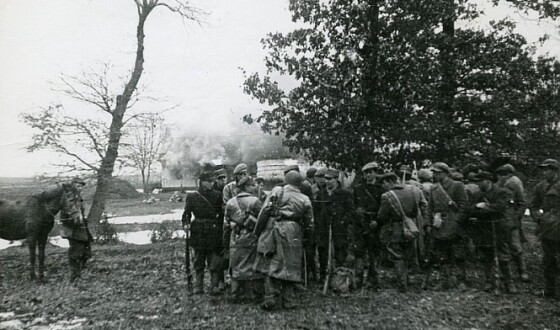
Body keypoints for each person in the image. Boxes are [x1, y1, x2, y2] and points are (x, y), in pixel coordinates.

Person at [254, 171, 314, 310]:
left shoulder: (277, 191)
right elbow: (310, 223)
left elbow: (265, 211)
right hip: (294, 230)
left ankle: (270, 298)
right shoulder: (305, 198)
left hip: (273, 228)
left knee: (269, 262)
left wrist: (257, 231)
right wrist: (308, 239)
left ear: (286, 180)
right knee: (291, 264)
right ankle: (288, 300)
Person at [465, 171, 517, 294]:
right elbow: (469, 210)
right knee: (485, 257)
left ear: (488, 181)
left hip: (498, 228)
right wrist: (479, 206)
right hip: (482, 229)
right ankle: (489, 281)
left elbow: (500, 208)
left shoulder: (501, 192)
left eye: (480, 181)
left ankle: (509, 282)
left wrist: (483, 209)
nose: (477, 183)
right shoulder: (476, 195)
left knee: (503, 257)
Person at [426, 162, 468, 290]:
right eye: (434, 173)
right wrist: (428, 223)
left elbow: (464, 205)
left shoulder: (457, 185)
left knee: (458, 253)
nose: (435, 175)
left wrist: (457, 221)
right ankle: (444, 280)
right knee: (441, 253)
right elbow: (430, 208)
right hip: (440, 223)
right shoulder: (434, 188)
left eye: (437, 172)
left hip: (454, 223)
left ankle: (461, 280)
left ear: (445, 173)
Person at [223, 177, 264, 303]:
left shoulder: (230, 202)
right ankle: (255, 294)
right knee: (254, 264)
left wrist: (225, 243)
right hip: (252, 237)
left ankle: (235, 293)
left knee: (236, 265)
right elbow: (262, 220)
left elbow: (226, 224)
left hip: (235, 237)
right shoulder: (256, 201)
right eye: (252, 185)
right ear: (246, 187)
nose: (254, 187)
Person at [182, 172, 223, 295]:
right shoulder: (192, 197)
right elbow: (187, 213)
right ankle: (199, 286)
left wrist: (220, 230)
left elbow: (221, 215)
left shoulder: (217, 195)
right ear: (202, 182)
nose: (212, 184)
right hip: (198, 230)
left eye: (212, 181)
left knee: (214, 259)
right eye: (209, 181)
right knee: (199, 260)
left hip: (213, 230)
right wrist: (186, 223)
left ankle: (214, 286)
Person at [377, 173, 419, 292]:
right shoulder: (411, 193)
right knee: (406, 255)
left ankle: (402, 285)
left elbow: (381, 216)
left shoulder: (386, 196)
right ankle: (406, 281)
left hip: (394, 230)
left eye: (385, 182)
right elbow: (415, 212)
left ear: (391, 182)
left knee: (397, 256)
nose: (384, 185)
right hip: (409, 229)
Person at [530, 159, 560, 299]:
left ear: (555, 171)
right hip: (548, 228)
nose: (544, 172)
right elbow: (534, 205)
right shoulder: (540, 187)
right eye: (543, 169)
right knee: (549, 260)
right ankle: (550, 290)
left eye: (547, 169)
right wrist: (539, 218)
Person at [353, 161, 384, 290]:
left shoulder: (382, 189)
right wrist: (358, 213)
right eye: (366, 173)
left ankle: (374, 280)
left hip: (375, 224)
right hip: (361, 225)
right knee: (359, 252)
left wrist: (378, 221)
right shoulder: (358, 188)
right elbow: (354, 205)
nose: (368, 176)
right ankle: (358, 280)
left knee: (374, 253)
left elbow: (385, 209)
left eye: (370, 172)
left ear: (376, 173)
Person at [495, 164, 529, 282]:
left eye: (504, 174)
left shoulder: (515, 183)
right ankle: (505, 273)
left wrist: (516, 217)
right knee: (502, 247)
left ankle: (522, 271)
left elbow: (522, 203)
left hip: (512, 221)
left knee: (516, 246)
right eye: (500, 174)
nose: (502, 177)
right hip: (500, 220)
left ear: (509, 174)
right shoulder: (497, 186)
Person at [323, 169, 358, 270]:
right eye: (325, 179)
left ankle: (340, 279)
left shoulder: (344, 193)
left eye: (329, 179)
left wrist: (342, 221)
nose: (327, 181)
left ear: (336, 179)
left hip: (340, 230)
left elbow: (351, 211)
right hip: (325, 229)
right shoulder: (322, 193)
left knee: (340, 255)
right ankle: (325, 279)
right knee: (325, 255)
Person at [61, 177, 93, 283]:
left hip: (81, 227)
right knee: (76, 251)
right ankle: (74, 277)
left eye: (81, 186)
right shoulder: (69, 197)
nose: (80, 188)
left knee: (86, 251)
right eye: (78, 186)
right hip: (73, 229)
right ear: (73, 185)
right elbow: (67, 213)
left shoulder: (78, 197)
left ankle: (78, 273)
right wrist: (75, 219)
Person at [313, 167, 330, 282]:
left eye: (323, 177)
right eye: (318, 177)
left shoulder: (330, 190)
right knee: (321, 249)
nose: (321, 180)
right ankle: (321, 274)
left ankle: (329, 273)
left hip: (329, 223)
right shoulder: (313, 190)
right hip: (318, 224)